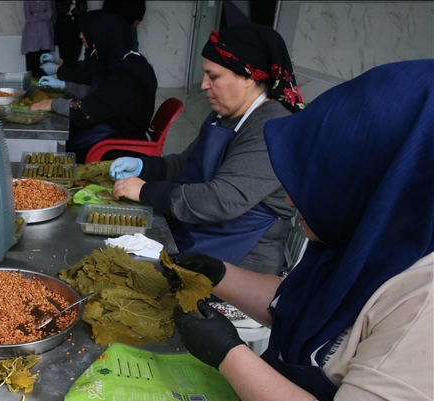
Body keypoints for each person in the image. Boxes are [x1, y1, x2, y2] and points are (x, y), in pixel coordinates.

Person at [167, 59, 434, 401]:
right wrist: (219, 274)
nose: (291, 205)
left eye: (319, 185)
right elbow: (298, 304)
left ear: (378, 183)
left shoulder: (425, 302)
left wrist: (229, 355)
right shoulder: (370, 237)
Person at [111, 23, 304, 275]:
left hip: (242, 265)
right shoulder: (223, 116)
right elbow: (186, 164)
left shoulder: (273, 127)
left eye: (213, 77)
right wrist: (145, 166)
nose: (203, 85)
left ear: (248, 77)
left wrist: (147, 191)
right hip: (199, 237)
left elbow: (219, 200)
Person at [32, 14, 157, 164]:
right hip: (120, 125)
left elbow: (86, 112)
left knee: (67, 149)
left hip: (122, 141)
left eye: (97, 41)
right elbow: (98, 94)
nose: (94, 45)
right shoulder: (127, 60)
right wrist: (66, 87)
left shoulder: (122, 78)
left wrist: (53, 104)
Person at [40, 9, 109, 85]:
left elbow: (82, 76)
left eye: (83, 32)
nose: (80, 36)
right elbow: (81, 66)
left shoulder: (102, 55)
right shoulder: (92, 51)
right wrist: (57, 61)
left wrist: (57, 70)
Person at [22, 1, 54, 79]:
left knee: (45, 64)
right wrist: (43, 16)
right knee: (32, 64)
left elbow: (49, 15)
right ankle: (32, 87)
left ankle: (44, 86)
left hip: (45, 35)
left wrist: (37, 14)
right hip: (31, 36)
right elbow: (28, 17)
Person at [51, 0, 88, 67]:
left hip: (77, 29)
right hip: (63, 29)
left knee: (75, 53)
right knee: (64, 54)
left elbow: (82, 11)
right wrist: (72, 7)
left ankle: (73, 73)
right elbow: (61, 11)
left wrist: (71, 10)